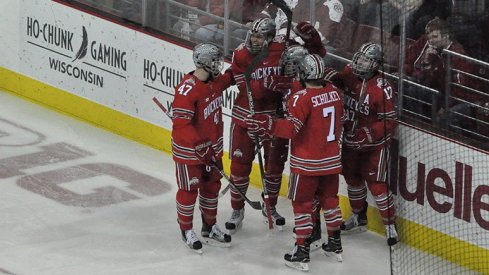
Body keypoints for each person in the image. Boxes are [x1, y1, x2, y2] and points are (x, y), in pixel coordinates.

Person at [225, 17, 326, 233]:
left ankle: (269, 207)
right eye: (252, 35)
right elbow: (242, 83)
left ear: (270, 38)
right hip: (246, 117)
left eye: (259, 36)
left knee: (274, 168)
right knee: (239, 166)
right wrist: (264, 86)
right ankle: (237, 209)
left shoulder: (283, 47)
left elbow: (317, 56)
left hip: (275, 118)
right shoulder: (242, 53)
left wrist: (312, 38)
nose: (253, 40)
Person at [245, 54, 344, 271]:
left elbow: (291, 129)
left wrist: (268, 124)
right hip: (331, 161)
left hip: (307, 163)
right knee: (330, 200)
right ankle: (335, 244)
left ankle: (301, 252)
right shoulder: (335, 93)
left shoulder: (301, 97)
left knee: (302, 205)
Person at [327, 42, 399, 246]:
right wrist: (333, 77)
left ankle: (389, 226)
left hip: (374, 146)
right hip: (350, 140)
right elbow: (341, 83)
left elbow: (390, 121)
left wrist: (368, 133)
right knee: (352, 179)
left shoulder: (382, 88)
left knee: (377, 185)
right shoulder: (350, 71)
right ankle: (359, 217)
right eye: (359, 57)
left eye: (365, 60)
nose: (359, 62)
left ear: (375, 64)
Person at [171, 43, 233, 253]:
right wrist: (200, 146)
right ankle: (186, 230)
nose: (218, 64)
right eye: (215, 60)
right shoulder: (187, 89)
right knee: (189, 190)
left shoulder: (214, 83)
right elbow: (181, 125)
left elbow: (231, 77)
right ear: (203, 62)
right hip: (190, 153)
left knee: (211, 188)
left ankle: (209, 226)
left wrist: (246, 56)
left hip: (212, 151)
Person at [403, 17, 477, 128]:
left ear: (445, 36)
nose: (430, 41)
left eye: (435, 37)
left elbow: (460, 90)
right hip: (442, 93)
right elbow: (424, 77)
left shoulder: (458, 55)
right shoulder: (436, 51)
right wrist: (427, 60)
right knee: (412, 91)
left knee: (444, 118)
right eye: (429, 37)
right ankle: (419, 124)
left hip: (462, 100)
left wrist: (443, 107)